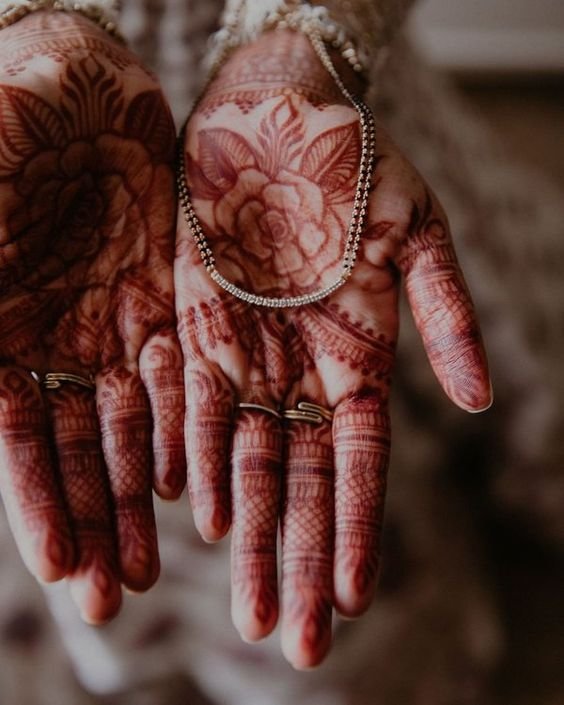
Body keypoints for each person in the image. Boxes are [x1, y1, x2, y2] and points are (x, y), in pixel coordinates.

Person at [1, 1, 561, 703]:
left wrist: (305, 45)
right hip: (30, 166)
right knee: (85, 488)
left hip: (321, 131)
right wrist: (31, 28)